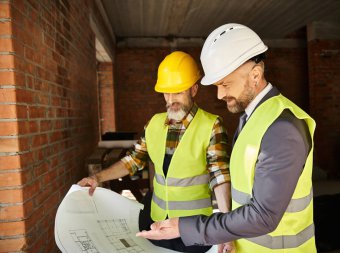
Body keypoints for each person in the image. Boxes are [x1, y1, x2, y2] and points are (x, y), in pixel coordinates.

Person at [137, 24, 317, 253]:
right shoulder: (253, 118)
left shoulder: (282, 128)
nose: (220, 94)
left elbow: (263, 216)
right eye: (217, 85)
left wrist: (185, 227)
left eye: (225, 84)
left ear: (255, 75)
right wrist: (227, 235)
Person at [78, 51, 234, 253]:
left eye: (178, 92)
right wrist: (97, 177)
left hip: (192, 228)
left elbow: (220, 177)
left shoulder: (212, 125)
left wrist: (225, 230)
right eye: (166, 93)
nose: (171, 99)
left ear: (194, 90)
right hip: (156, 220)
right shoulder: (153, 123)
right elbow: (133, 160)